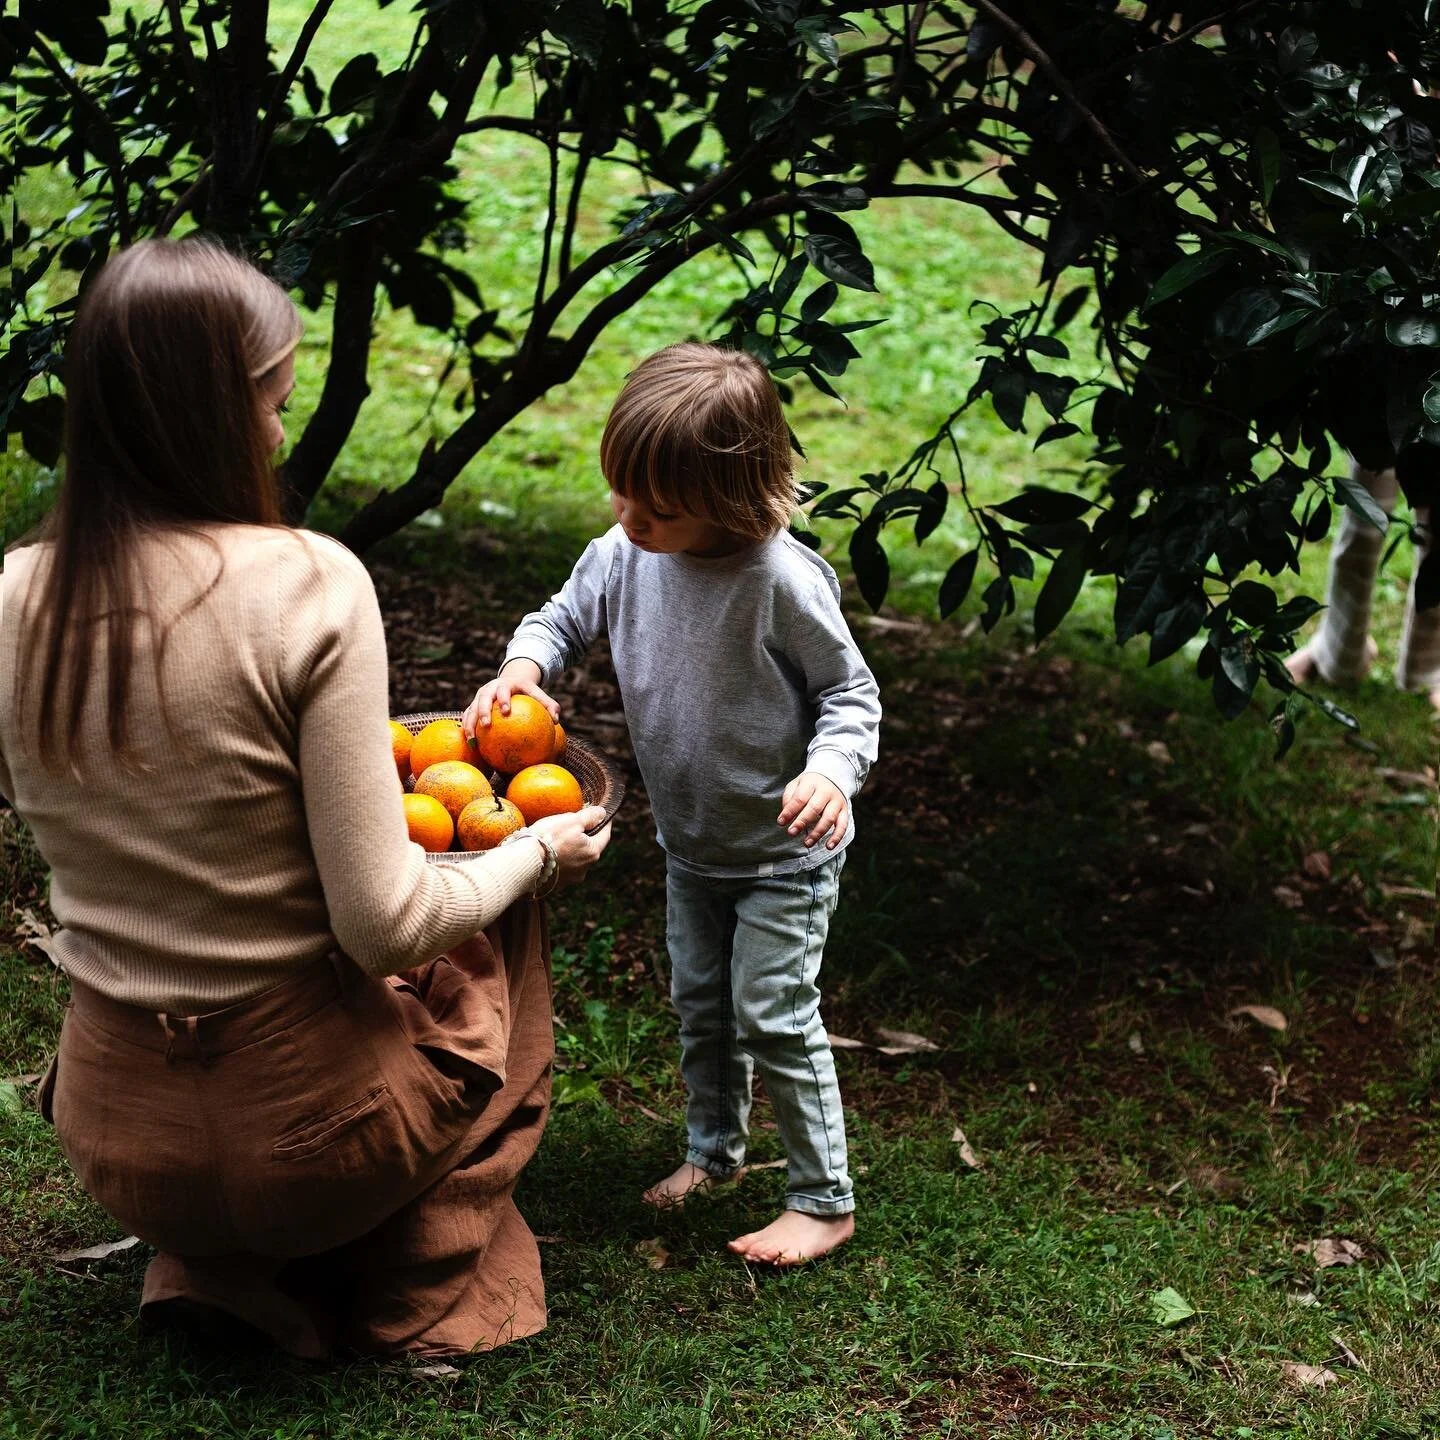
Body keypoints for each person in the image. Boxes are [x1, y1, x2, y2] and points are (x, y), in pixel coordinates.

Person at [0, 237, 610, 1358]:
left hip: (119, 1140)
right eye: (273, 406)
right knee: (501, 884)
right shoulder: (310, 583)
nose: (280, 435)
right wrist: (539, 855)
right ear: (214, 415)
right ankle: (417, 1280)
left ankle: (216, 1270)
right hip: (315, 1143)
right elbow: (387, 926)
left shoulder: (10, 598)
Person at [463, 343, 881, 1266]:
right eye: (622, 493)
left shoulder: (780, 582)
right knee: (702, 1006)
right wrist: (522, 669)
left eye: (659, 507)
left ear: (731, 497)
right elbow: (558, 618)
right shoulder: (626, 553)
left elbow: (851, 695)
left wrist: (830, 772)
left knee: (772, 1012)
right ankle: (714, 1154)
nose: (631, 518)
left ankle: (823, 1200)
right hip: (693, 844)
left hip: (783, 851)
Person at [1285, 461, 1439, 709]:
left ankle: (1429, 669)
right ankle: (1336, 651)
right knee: (1362, 525)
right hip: (1378, 440)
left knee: (1437, 536)